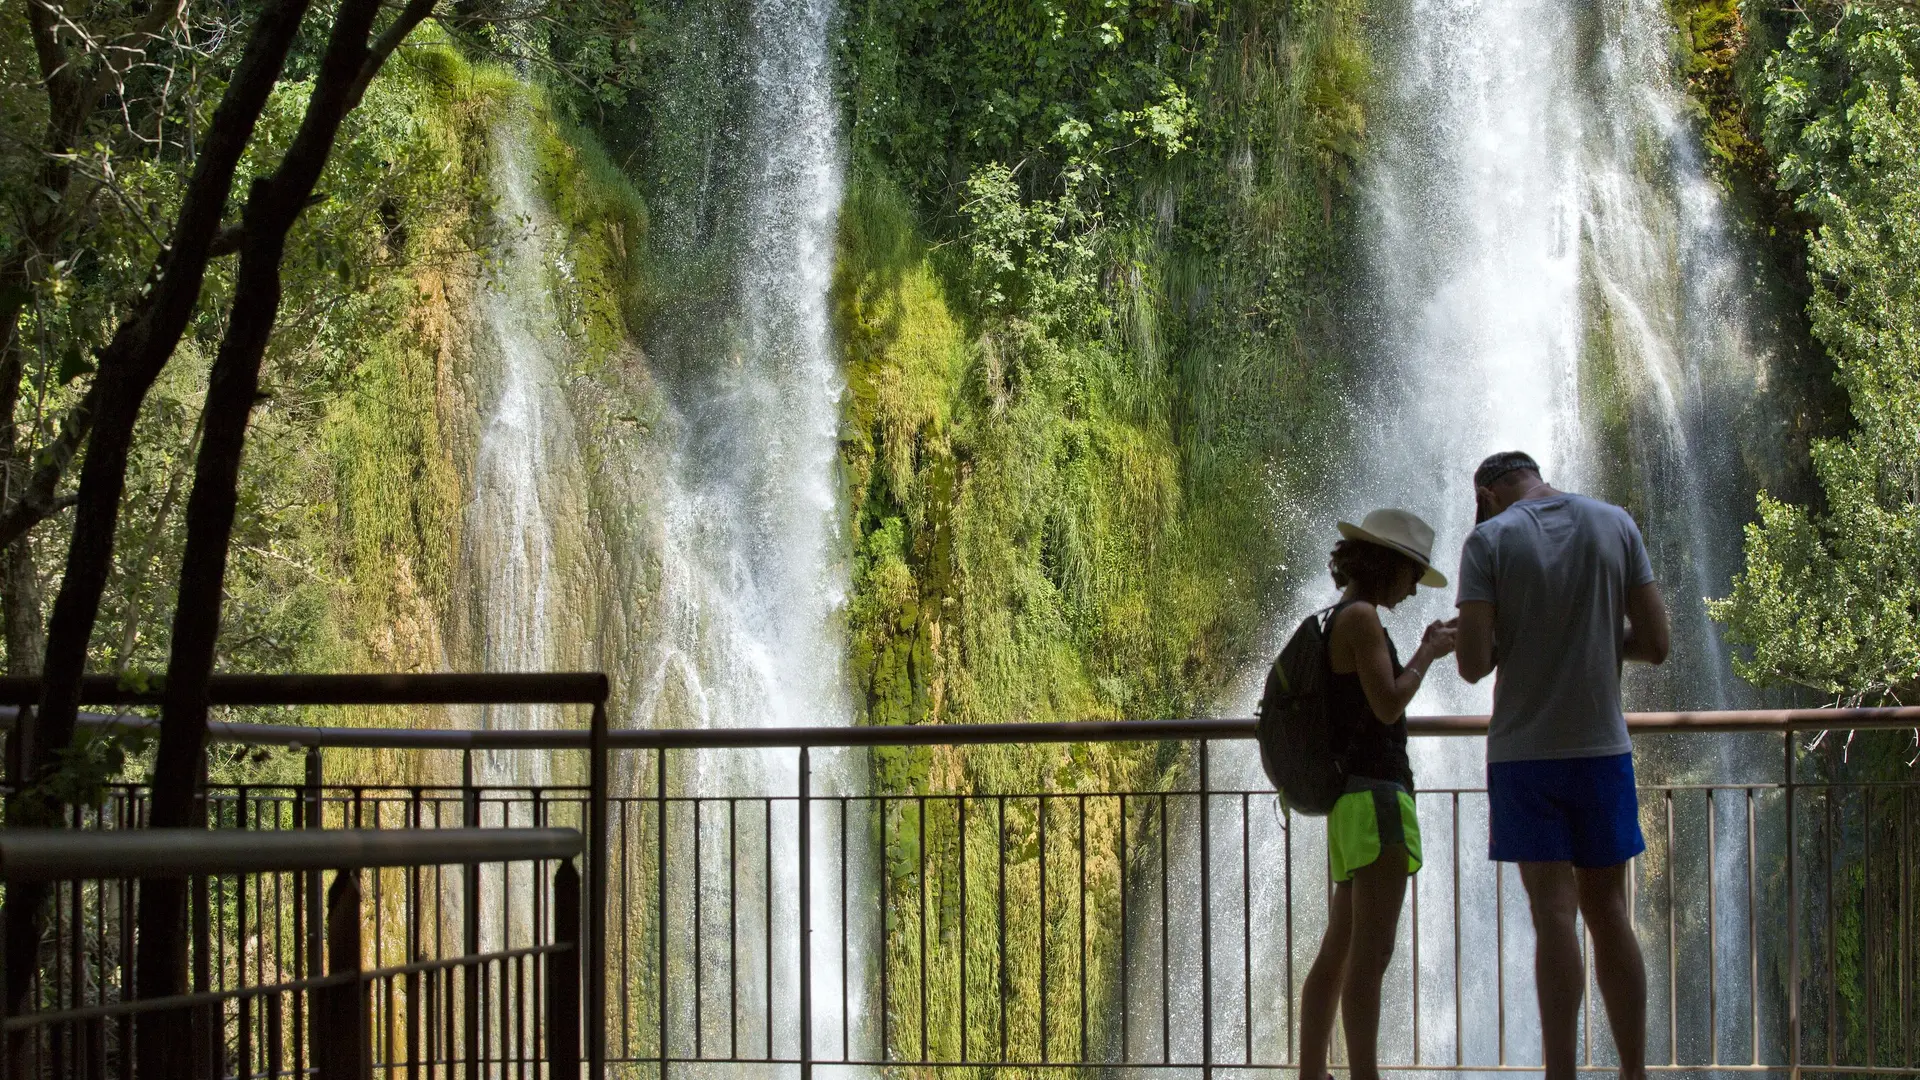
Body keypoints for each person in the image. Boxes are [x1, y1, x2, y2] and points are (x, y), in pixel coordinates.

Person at [1453, 451, 1671, 1080]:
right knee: (1609, 914)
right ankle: (1633, 1073)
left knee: (1553, 915)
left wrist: (1511, 637)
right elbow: (1656, 644)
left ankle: (1561, 1076)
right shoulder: (1615, 523)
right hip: (1602, 750)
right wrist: (1601, 642)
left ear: (1488, 494)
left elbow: (1471, 665)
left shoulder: (1488, 540)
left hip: (1525, 756)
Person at [1299, 508, 1457, 1080]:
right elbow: (1389, 703)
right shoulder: (1362, 619)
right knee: (1372, 956)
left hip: (1352, 806)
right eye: (1413, 574)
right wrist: (1428, 653)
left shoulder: (1343, 615)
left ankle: (1313, 1073)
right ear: (1389, 566)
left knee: (1340, 949)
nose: (1415, 588)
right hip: (1377, 800)